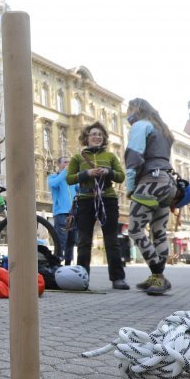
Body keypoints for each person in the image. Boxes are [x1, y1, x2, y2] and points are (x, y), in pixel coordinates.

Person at [66, 122, 129, 290]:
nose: (97, 137)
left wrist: (109, 172)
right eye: (93, 134)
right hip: (85, 200)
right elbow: (69, 178)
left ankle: (118, 279)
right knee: (84, 241)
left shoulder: (110, 157)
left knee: (112, 240)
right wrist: (86, 173)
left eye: (100, 135)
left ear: (104, 139)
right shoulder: (78, 157)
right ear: (86, 137)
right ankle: (81, 279)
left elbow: (121, 177)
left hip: (107, 199)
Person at [124, 98, 177, 295]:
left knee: (135, 230)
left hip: (150, 183)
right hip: (167, 183)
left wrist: (130, 187)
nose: (127, 115)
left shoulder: (140, 125)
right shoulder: (164, 131)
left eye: (129, 110)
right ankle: (158, 277)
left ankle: (158, 275)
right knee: (159, 231)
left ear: (137, 109)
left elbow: (134, 157)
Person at [47, 156, 80, 265]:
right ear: (59, 164)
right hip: (61, 213)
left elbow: (80, 189)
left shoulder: (72, 179)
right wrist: (65, 172)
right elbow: (53, 184)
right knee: (61, 241)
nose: (68, 164)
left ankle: (68, 264)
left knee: (72, 241)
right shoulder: (53, 177)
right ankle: (57, 264)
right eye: (66, 162)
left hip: (74, 213)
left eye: (69, 162)